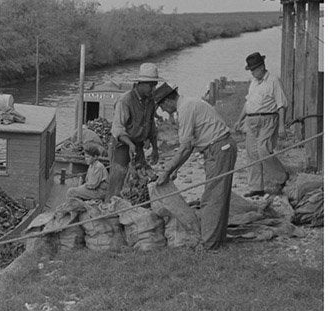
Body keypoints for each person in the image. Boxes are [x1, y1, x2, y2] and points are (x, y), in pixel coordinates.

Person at [154, 83, 237, 250]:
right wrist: (176, 169)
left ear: (168, 100)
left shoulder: (185, 109)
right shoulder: (189, 104)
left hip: (219, 148)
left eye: (161, 106)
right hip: (220, 147)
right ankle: (217, 240)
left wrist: (166, 171)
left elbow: (185, 146)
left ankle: (209, 244)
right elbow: (190, 145)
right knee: (219, 196)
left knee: (212, 198)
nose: (163, 110)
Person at [236, 51, 289, 196]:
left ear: (261, 67)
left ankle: (281, 177)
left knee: (263, 150)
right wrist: (239, 120)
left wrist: (282, 126)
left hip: (268, 119)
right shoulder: (253, 83)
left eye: (254, 70)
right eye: (251, 70)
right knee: (252, 153)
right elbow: (248, 104)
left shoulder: (273, 81)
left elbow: (281, 105)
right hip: (251, 120)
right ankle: (256, 187)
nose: (252, 73)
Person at [106, 62, 162, 197]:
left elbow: (151, 126)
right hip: (122, 145)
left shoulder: (150, 101)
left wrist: (155, 149)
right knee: (118, 179)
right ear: (140, 84)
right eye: (150, 85)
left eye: (154, 85)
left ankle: (136, 207)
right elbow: (117, 128)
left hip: (138, 145)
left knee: (141, 180)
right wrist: (130, 144)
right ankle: (110, 209)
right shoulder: (125, 100)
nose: (153, 89)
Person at [67, 137, 109, 201]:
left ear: (95, 157)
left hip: (99, 192)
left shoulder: (98, 167)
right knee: (76, 190)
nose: (86, 159)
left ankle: (74, 208)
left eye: (88, 157)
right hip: (95, 190)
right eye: (85, 157)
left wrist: (81, 187)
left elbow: (92, 185)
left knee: (71, 191)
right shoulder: (92, 165)